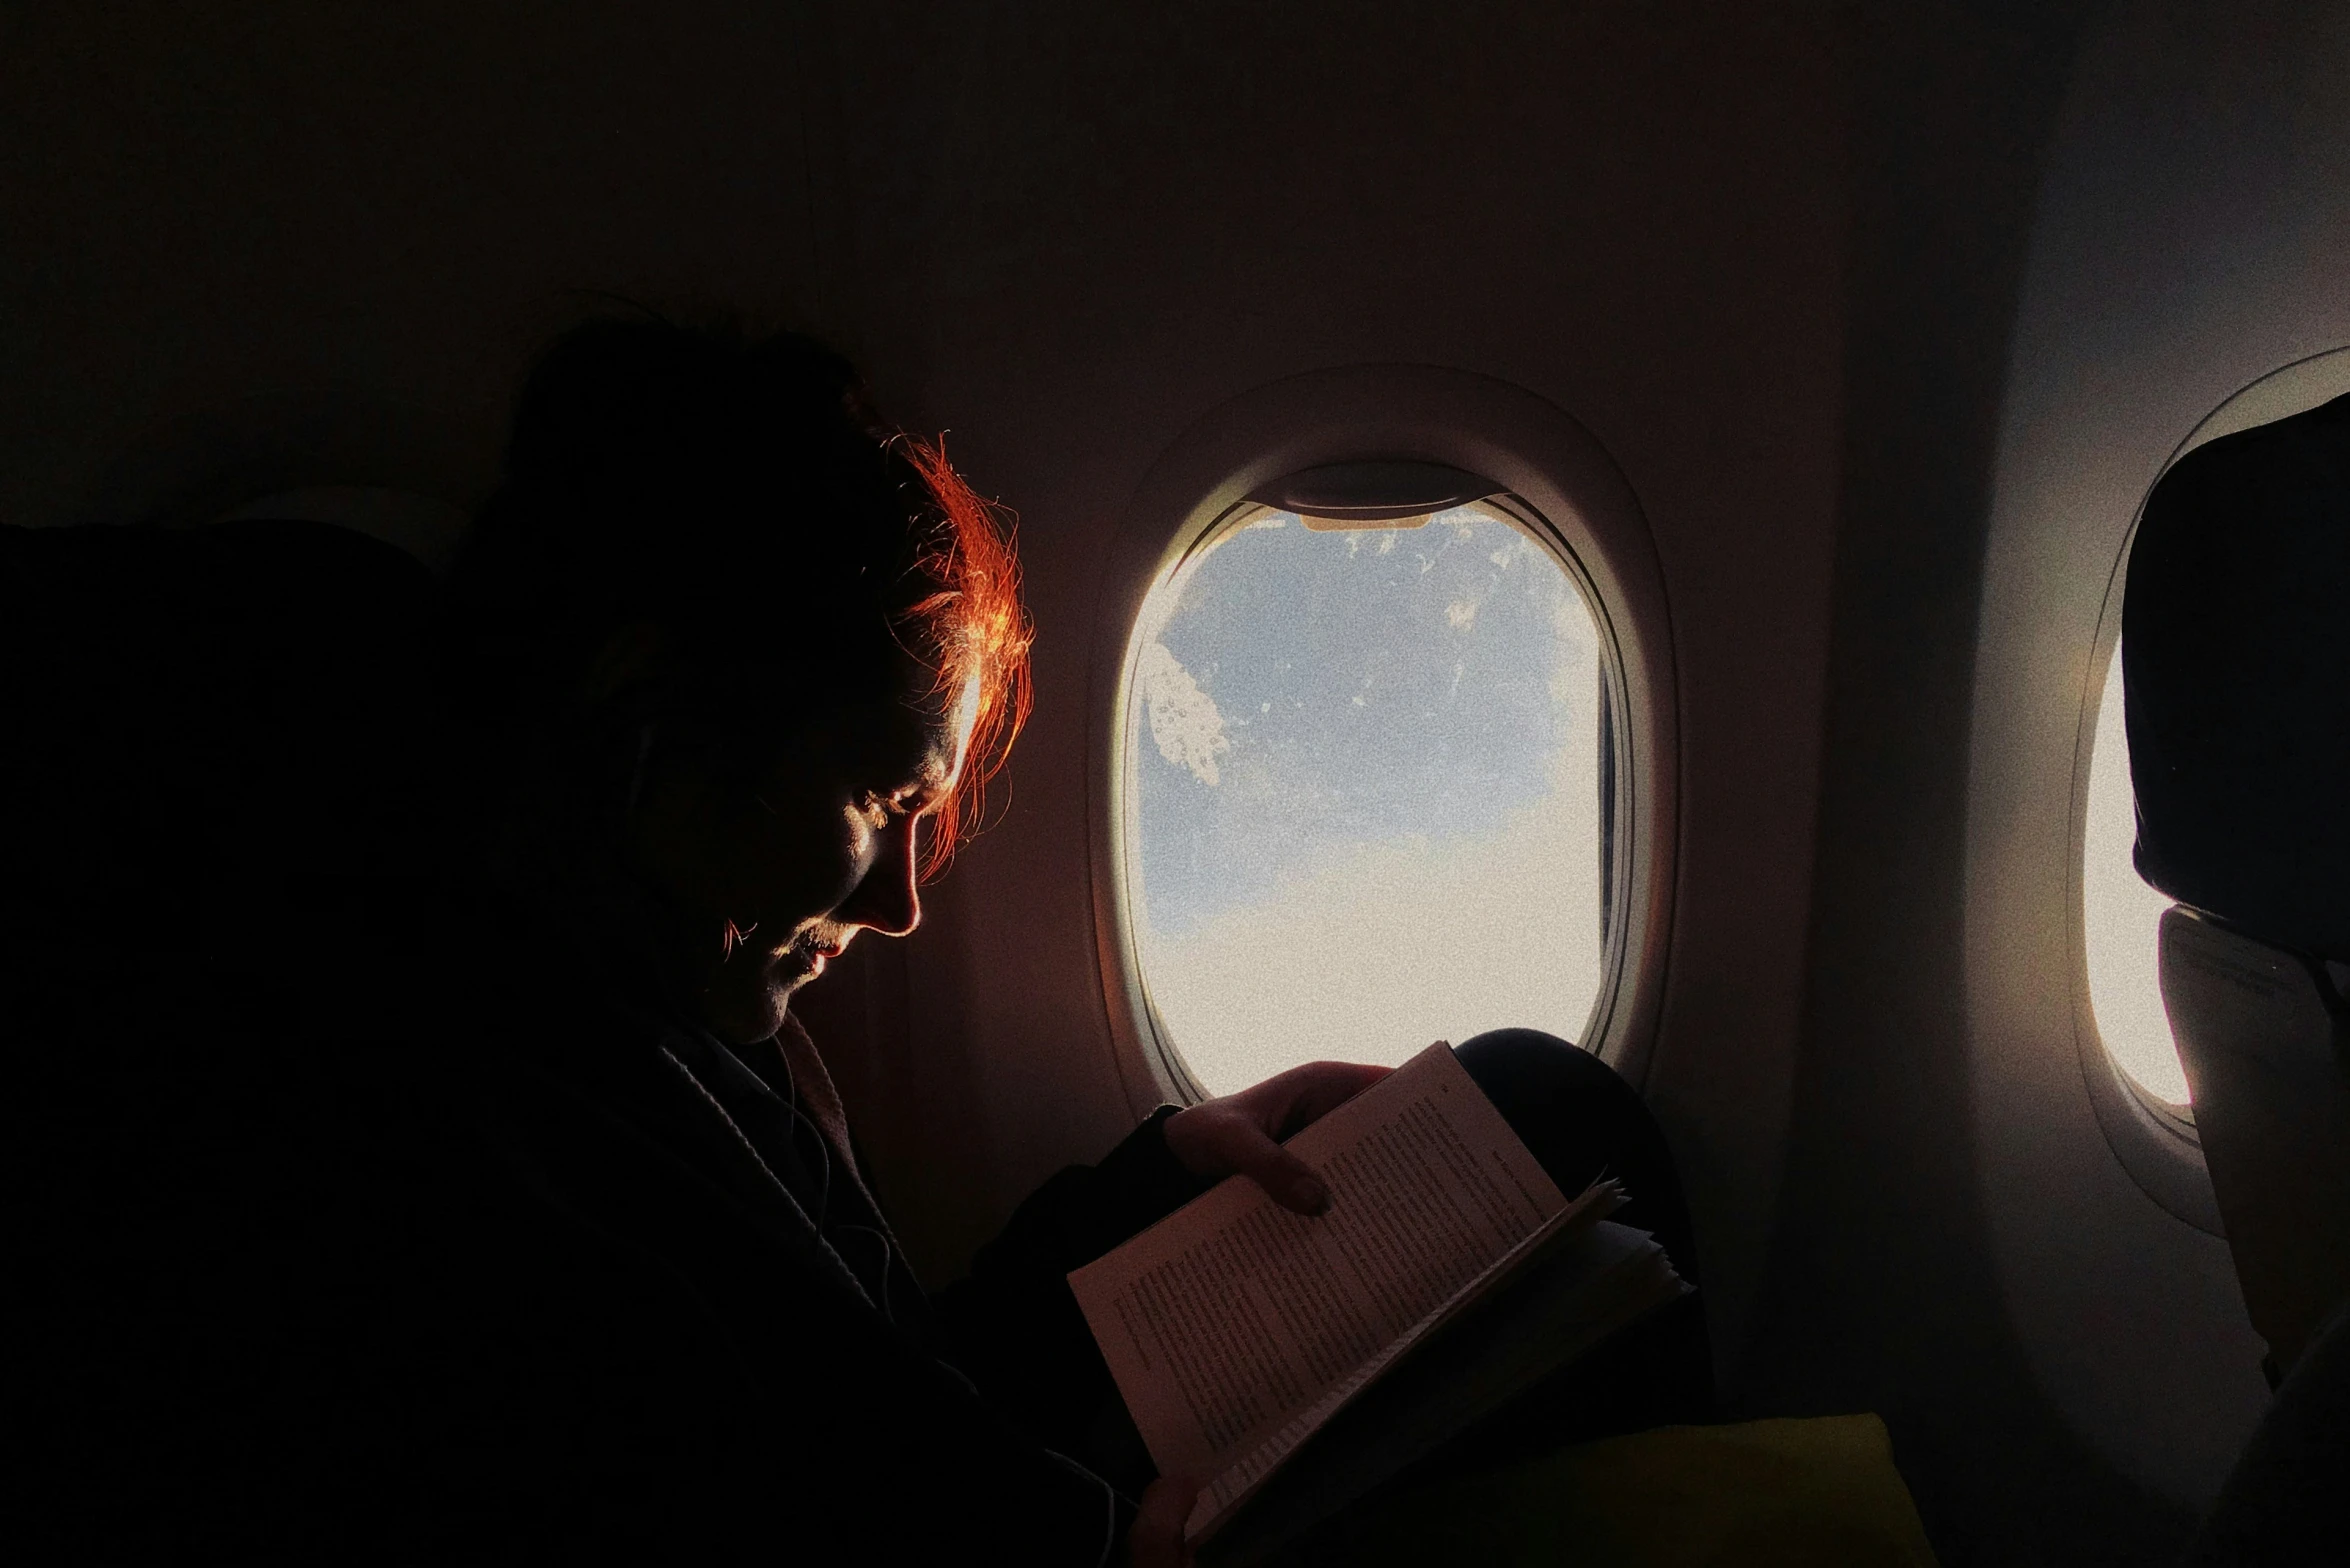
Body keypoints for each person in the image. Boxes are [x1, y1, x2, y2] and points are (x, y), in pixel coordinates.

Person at [18, 315, 1702, 1562]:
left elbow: (865, 1370)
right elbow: (808, 1465)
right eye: (878, 801)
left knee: (1541, 1113)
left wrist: (1156, 1176)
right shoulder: (451, 1072)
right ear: (648, 712)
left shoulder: (655, 986)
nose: (900, 903)